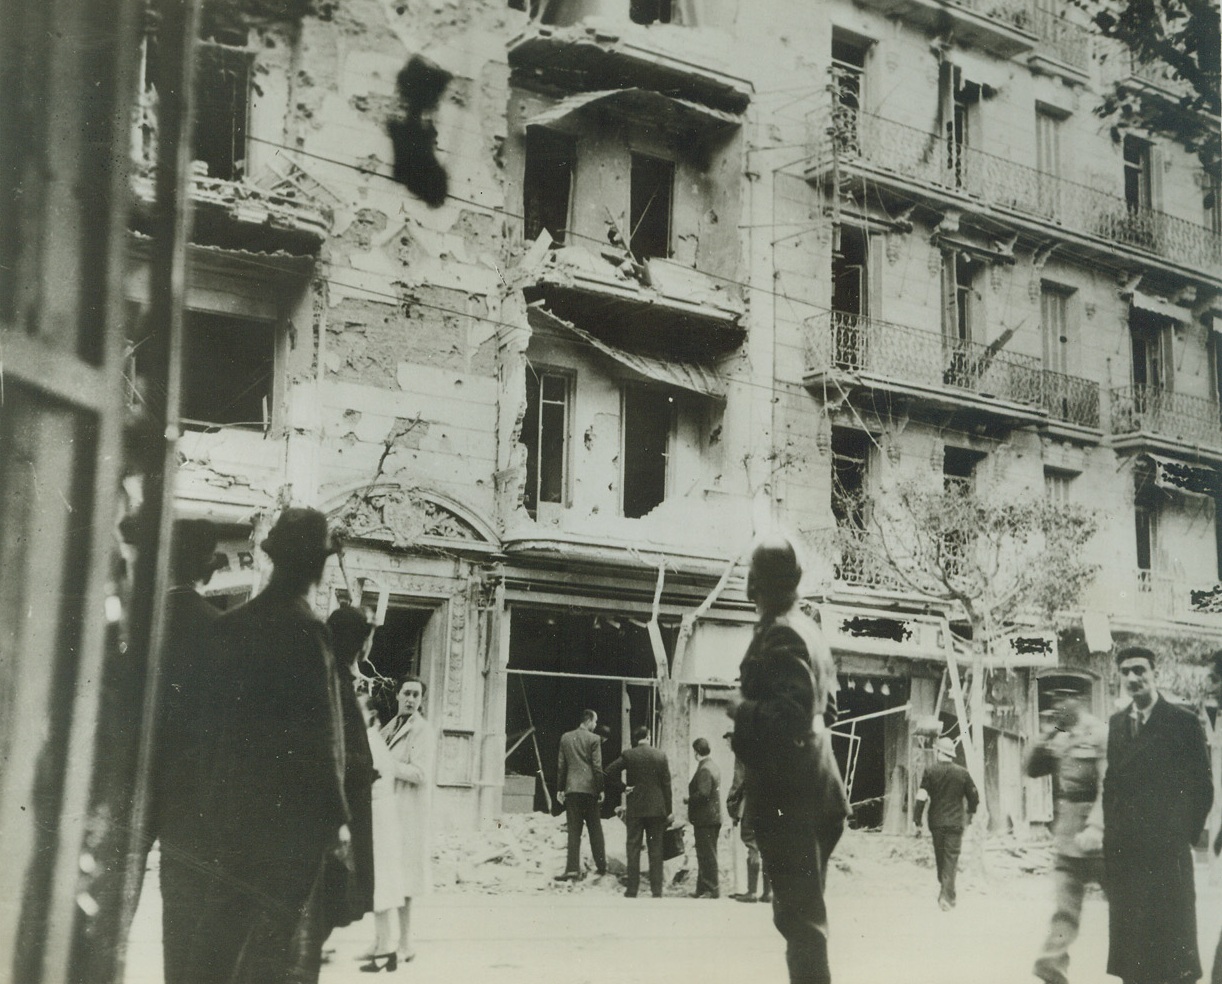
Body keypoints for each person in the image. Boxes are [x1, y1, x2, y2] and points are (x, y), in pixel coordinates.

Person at [191, 507, 350, 984]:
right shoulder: (308, 631)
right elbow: (323, 738)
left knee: (223, 929)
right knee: (280, 947)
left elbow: (207, 728)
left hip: (231, 810)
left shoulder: (231, 626)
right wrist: (337, 821)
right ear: (317, 566)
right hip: (292, 822)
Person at [729, 535, 849, 984]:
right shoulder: (809, 629)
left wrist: (741, 710)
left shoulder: (780, 630)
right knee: (804, 920)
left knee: (801, 925)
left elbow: (793, 715)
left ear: (759, 584)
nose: (748, 591)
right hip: (816, 792)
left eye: (753, 581)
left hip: (793, 800)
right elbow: (827, 710)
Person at [1104, 645, 1212, 984]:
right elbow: (1112, 785)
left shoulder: (1183, 722)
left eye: (1140, 670)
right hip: (1127, 853)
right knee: (1133, 953)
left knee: (1172, 951)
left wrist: (1181, 835)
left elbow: (1202, 787)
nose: (1133, 678)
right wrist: (1112, 837)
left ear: (1155, 674)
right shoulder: (1117, 724)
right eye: (1126, 672)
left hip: (1168, 856)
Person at [152, 519, 222, 984]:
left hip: (132, 780)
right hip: (192, 790)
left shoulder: (143, 618)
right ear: (206, 567)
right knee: (184, 909)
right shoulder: (219, 628)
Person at [1026, 696, 1107, 984]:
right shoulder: (1060, 735)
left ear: (1082, 704)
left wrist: (1097, 827)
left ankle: (1146, 964)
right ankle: (1053, 966)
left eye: (1068, 698)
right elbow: (1032, 769)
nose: (1063, 704)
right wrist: (1048, 734)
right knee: (1065, 910)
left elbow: (1107, 785)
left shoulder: (1100, 733)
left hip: (1100, 840)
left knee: (1127, 908)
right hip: (1067, 836)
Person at [322, 606, 377, 931]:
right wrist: (363, 766)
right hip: (342, 806)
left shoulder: (339, 676)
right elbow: (333, 746)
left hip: (348, 801)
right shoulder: (333, 680)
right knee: (335, 896)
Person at [377, 674, 436, 966]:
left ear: (421, 700)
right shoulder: (389, 727)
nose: (411, 699)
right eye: (407, 693)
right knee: (388, 879)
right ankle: (383, 942)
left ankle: (405, 943)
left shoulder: (422, 731)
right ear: (398, 695)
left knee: (405, 883)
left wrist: (386, 765)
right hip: (388, 812)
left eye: (417, 695)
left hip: (407, 815)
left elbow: (420, 773)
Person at [606, 726, 673, 899]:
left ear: (636, 739)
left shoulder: (629, 755)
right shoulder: (660, 755)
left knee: (633, 848)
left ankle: (632, 890)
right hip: (657, 810)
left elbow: (609, 771)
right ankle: (656, 891)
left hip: (635, 808)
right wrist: (669, 810)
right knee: (656, 849)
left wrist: (624, 788)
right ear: (649, 736)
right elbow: (667, 785)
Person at [914, 736, 978, 911]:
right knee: (951, 859)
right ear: (951, 754)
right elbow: (974, 796)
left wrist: (917, 818)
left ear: (938, 752)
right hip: (956, 823)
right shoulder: (962, 773)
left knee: (941, 859)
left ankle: (946, 896)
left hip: (936, 823)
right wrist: (971, 813)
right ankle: (948, 895)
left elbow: (921, 797)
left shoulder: (930, 771)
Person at [555, 709, 607, 881]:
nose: (596, 725)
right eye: (595, 721)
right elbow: (597, 767)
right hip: (590, 791)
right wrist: (600, 789)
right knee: (595, 829)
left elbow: (562, 767)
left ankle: (571, 870)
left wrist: (560, 789)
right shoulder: (594, 739)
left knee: (573, 831)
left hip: (572, 790)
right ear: (589, 721)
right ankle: (601, 867)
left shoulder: (565, 737)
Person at [725, 733, 770, 904]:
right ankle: (768, 893)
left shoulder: (743, 753)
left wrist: (731, 804)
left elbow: (738, 782)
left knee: (752, 844)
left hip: (751, 805)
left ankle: (751, 892)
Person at [686, 737, 723, 899]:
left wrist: (689, 799)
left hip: (705, 818)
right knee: (705, 852)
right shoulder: (712, 765)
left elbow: (703, 793)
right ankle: (702, 888)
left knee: (707, 854)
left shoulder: (705, 769)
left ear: (697, 751)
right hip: (711, 817)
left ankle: (711, 889)